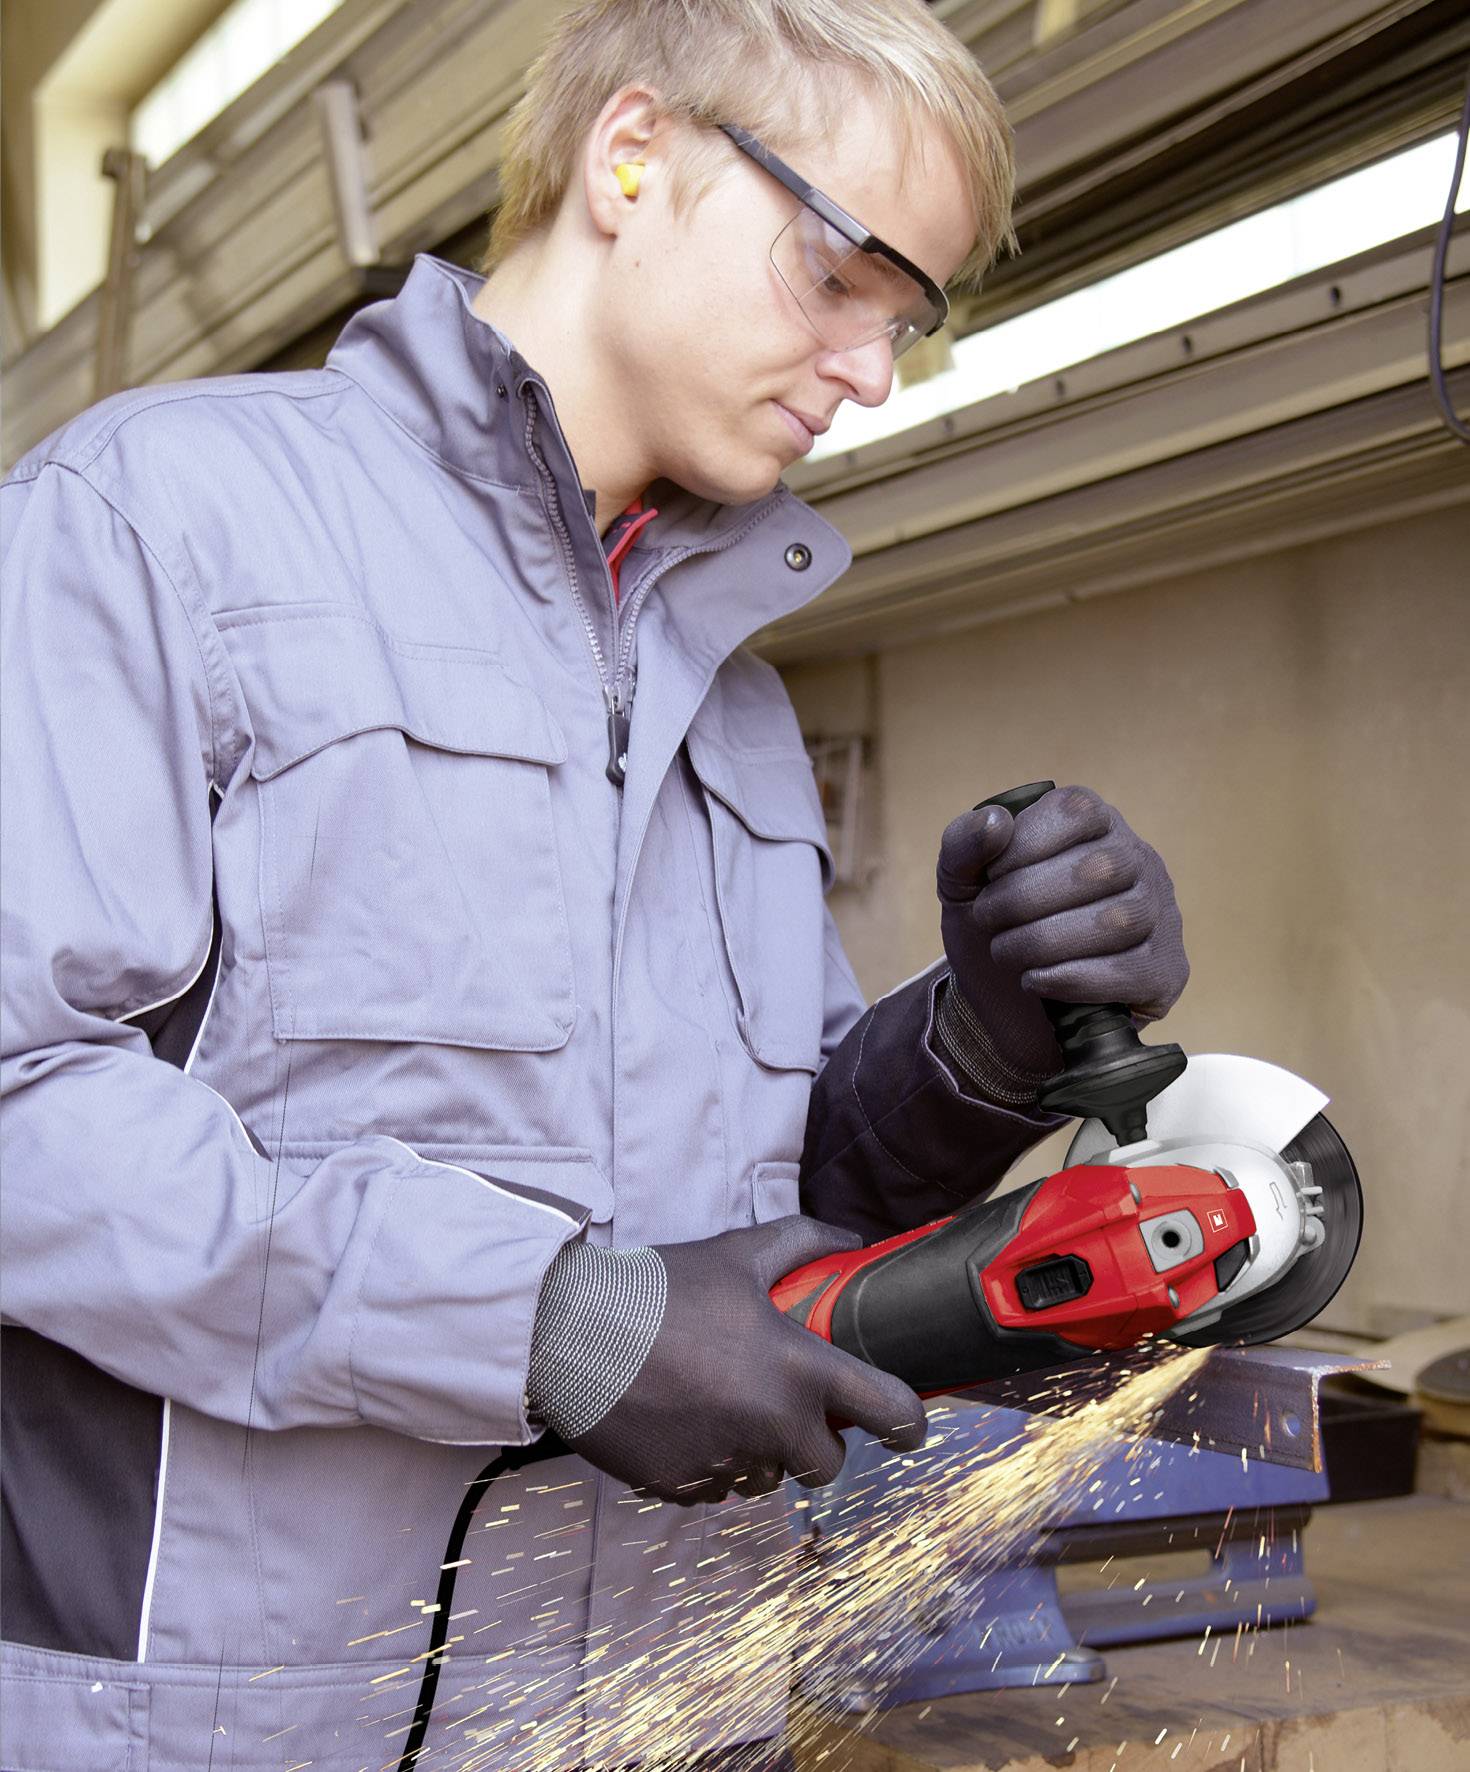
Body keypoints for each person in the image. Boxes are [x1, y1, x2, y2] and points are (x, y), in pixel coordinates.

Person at [0, 2, 1187, 1767]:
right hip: (237, 1723)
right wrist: (539, 1318)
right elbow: (25, 1105)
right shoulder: (159, 522)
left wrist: (973, 1054)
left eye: (907, 321)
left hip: (662, 1706)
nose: (870, 372)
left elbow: (780, 1208)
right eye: (844, 275)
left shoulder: (740, 694)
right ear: (632, 157)